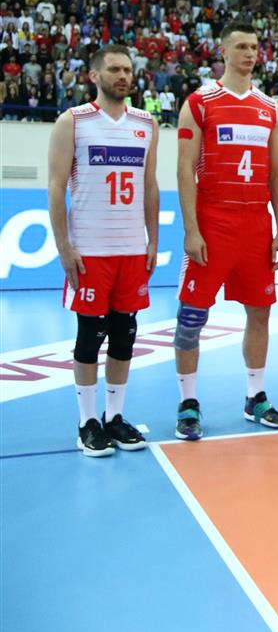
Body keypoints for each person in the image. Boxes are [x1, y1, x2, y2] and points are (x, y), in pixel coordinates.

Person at [172, 23, 278, 440]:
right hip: (213, 220)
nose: (249, 53)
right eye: (240, 46)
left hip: (256, 223)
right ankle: (188, 403)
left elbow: (277, 172)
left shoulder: (269, 107)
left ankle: (255, 396)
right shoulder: (200, 102)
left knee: (260, 311)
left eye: (254, 46)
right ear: (223, 52)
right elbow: (184, 169)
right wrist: (191, 229)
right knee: (191, 317)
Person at [47, 45, 158, 456]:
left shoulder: (145, 123)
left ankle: (115, 416)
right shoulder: (73, 121)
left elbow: (149, 185)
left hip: (131, 250)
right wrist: (64, 246)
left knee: (125, 335)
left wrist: (153, 240)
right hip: (90, 251)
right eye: (114, 69)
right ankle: (87, 422)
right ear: (94, 76)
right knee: (90, 337)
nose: (123, 76)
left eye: (127, 69)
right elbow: (56, 186)